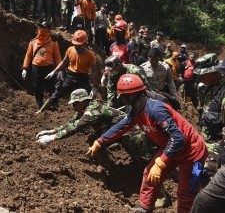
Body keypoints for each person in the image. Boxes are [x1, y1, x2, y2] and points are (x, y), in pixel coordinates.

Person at [87, 74, 208, 213]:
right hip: (170, 147)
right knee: (149, 174)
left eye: (124, 96)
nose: (122, 99)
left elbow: (178, 138)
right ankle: (145, 208)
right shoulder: (136, 110)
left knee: (188, 192)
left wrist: (161, 163)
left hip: (194, 152)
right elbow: (121, 126)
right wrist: (99, 142)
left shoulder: (156, 110)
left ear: (132, 95)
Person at [37, 30, 99, 113]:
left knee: (88, 97)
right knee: (56, 94)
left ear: (84, 43)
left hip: (82, 78)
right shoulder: (70, 50)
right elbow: (64, 62)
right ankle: (41, 111)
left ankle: (89, 114)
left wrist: (94, 88)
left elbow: (94, 72)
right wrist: (54, 71)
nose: (77, 46)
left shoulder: (90, 55)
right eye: (75, 44)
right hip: (70, 76)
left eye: (79, 45)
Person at [22, 22, 62, 109]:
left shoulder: (53, 43)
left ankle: (53, 104)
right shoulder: (33, 42)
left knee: (51, 87)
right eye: (40, 27)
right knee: (37, 87)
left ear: (48, 30)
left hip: (49, 68)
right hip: (36, 68)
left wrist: (59, 70)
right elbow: (28, 55)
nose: (41, 29)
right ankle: (39, 104)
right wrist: (25, 68)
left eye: (44, 28)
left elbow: (57, 57)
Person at [193, 53, 225, 142]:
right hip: (205, 139)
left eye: (203, 75)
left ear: (215, 72)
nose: (200, 78)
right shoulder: (206, 88)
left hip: (218, 147)